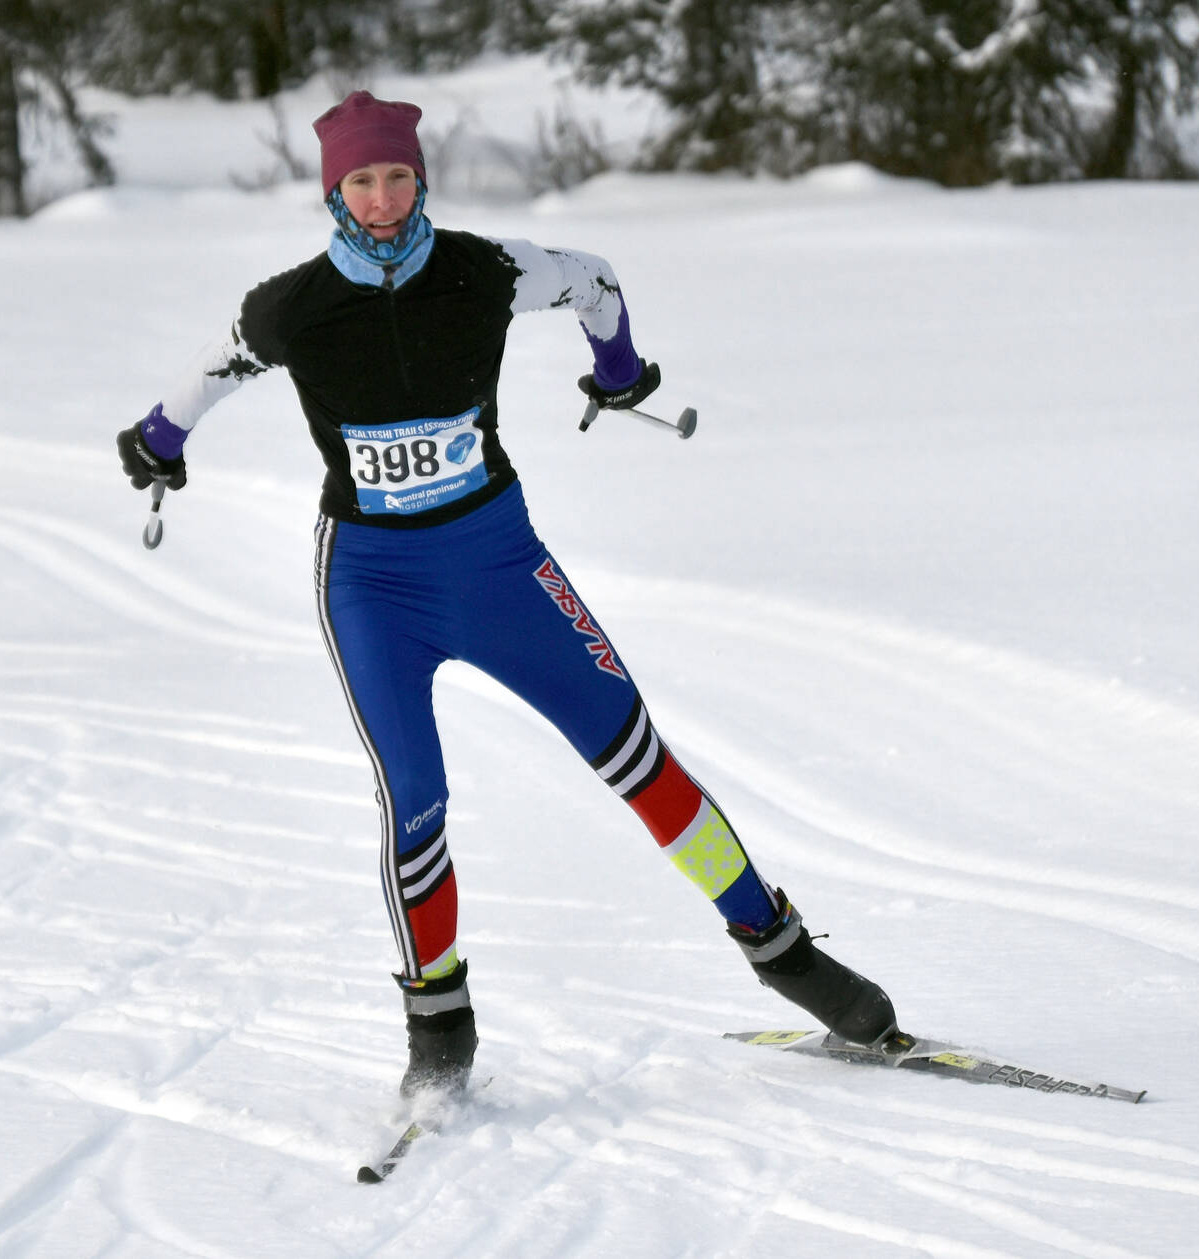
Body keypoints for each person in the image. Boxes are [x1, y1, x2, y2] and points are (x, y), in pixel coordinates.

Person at [115, 91, 899, 1098]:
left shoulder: (486, 270)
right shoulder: (292, 305)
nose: (384, 197)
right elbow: (214, 365)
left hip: (496, 561)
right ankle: (438, 1023)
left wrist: (616, 371)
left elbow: (595, 279)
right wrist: (158, 438)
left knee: (637, 756)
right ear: (332, 192)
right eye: (361, 180)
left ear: (419, 177)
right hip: (373, 581)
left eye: (397, 174)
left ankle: (782, 951)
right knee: (415, 801)